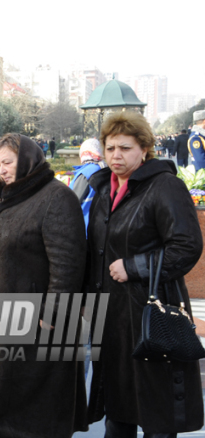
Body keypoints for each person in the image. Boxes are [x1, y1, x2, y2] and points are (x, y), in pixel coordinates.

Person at [87, 111, 203, 436]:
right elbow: (95, 250)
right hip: (113, 319)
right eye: (110, 148)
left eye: (125, 148)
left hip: (153, 314)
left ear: (145, 149)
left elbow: (186, 246)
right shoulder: (104, 190)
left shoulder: (165, 186)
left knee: (158, 410)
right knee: (118, 410)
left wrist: (135, 266)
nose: (116, 156)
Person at [0, 133, 88, 438]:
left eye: (8, 162)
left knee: (34, 413)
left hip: (39, 326)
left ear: (29, 160)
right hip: (0, 318)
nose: (1, 169)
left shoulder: (56, 197)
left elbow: (68, 263)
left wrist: (52, 312)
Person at [69, 138, 107, 235]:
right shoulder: (104, 169)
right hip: (100, 228)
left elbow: (71, 202)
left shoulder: (87, 172)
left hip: (83, 228)